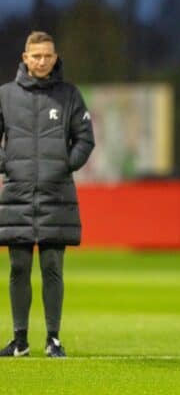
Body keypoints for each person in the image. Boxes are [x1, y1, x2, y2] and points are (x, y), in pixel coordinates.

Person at [0, 31, 95, 358]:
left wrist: (67, 164)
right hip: (18, 193)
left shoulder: (69, 95)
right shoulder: (5, 96)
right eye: (36, 56)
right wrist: (8, 165)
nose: (42, 61)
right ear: (25, 58)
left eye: (48, 56)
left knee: (53, 266)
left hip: (57, 194)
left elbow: (85, 139)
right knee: (18, 268)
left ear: (55, 58)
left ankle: (53, 338)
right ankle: (19, 340)